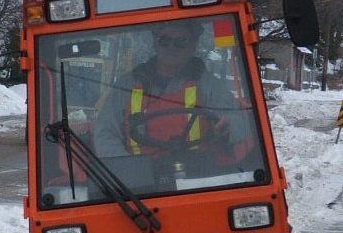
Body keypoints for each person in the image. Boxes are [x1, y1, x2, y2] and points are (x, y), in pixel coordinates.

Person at [94, 20, 245, 161]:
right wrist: (129, 172)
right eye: (164, 40)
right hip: (141, 182)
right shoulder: (127, 85)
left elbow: (239, 123)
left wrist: (227, 126)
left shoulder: (210, 86)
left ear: (193, 46)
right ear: (155, 42)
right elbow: (105, 133)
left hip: (200, 177)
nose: (171, 47)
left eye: (181, 42)